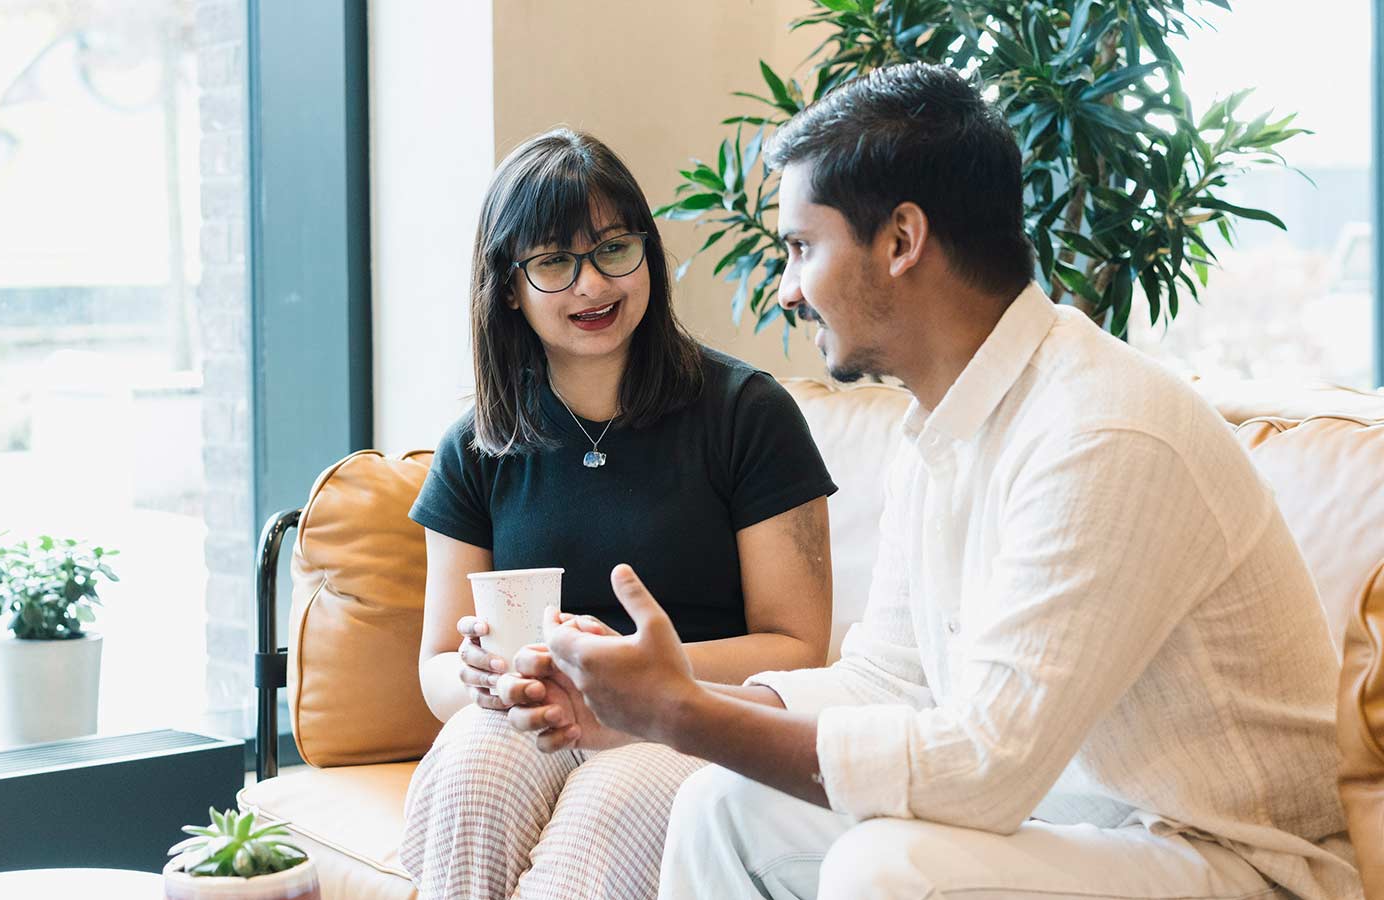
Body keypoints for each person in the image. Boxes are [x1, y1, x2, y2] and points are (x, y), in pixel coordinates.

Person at [508, 65, 1363, 900]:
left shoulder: (1102, 432)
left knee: (886, 871)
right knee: (723, 805)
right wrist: (640, 703)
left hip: (1238, 861)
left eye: (802, 248)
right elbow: (886, 683)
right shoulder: (940, 429)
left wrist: (683, 716)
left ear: (901, 241)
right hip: (1078, 821)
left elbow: (984, 770)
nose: (788, 290)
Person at [399, 127, 840, 900]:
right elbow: (438, 666)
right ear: (509, 286)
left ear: (648, 253)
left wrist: (632, 677)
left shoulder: (747, 414)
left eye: (613, 249)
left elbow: (799, 649)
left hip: (694, 715)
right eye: (553, 262)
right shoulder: (476, 445)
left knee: (611, 811)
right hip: (534, 714)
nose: (591, 285)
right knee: (469, 769)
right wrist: (479, 679)